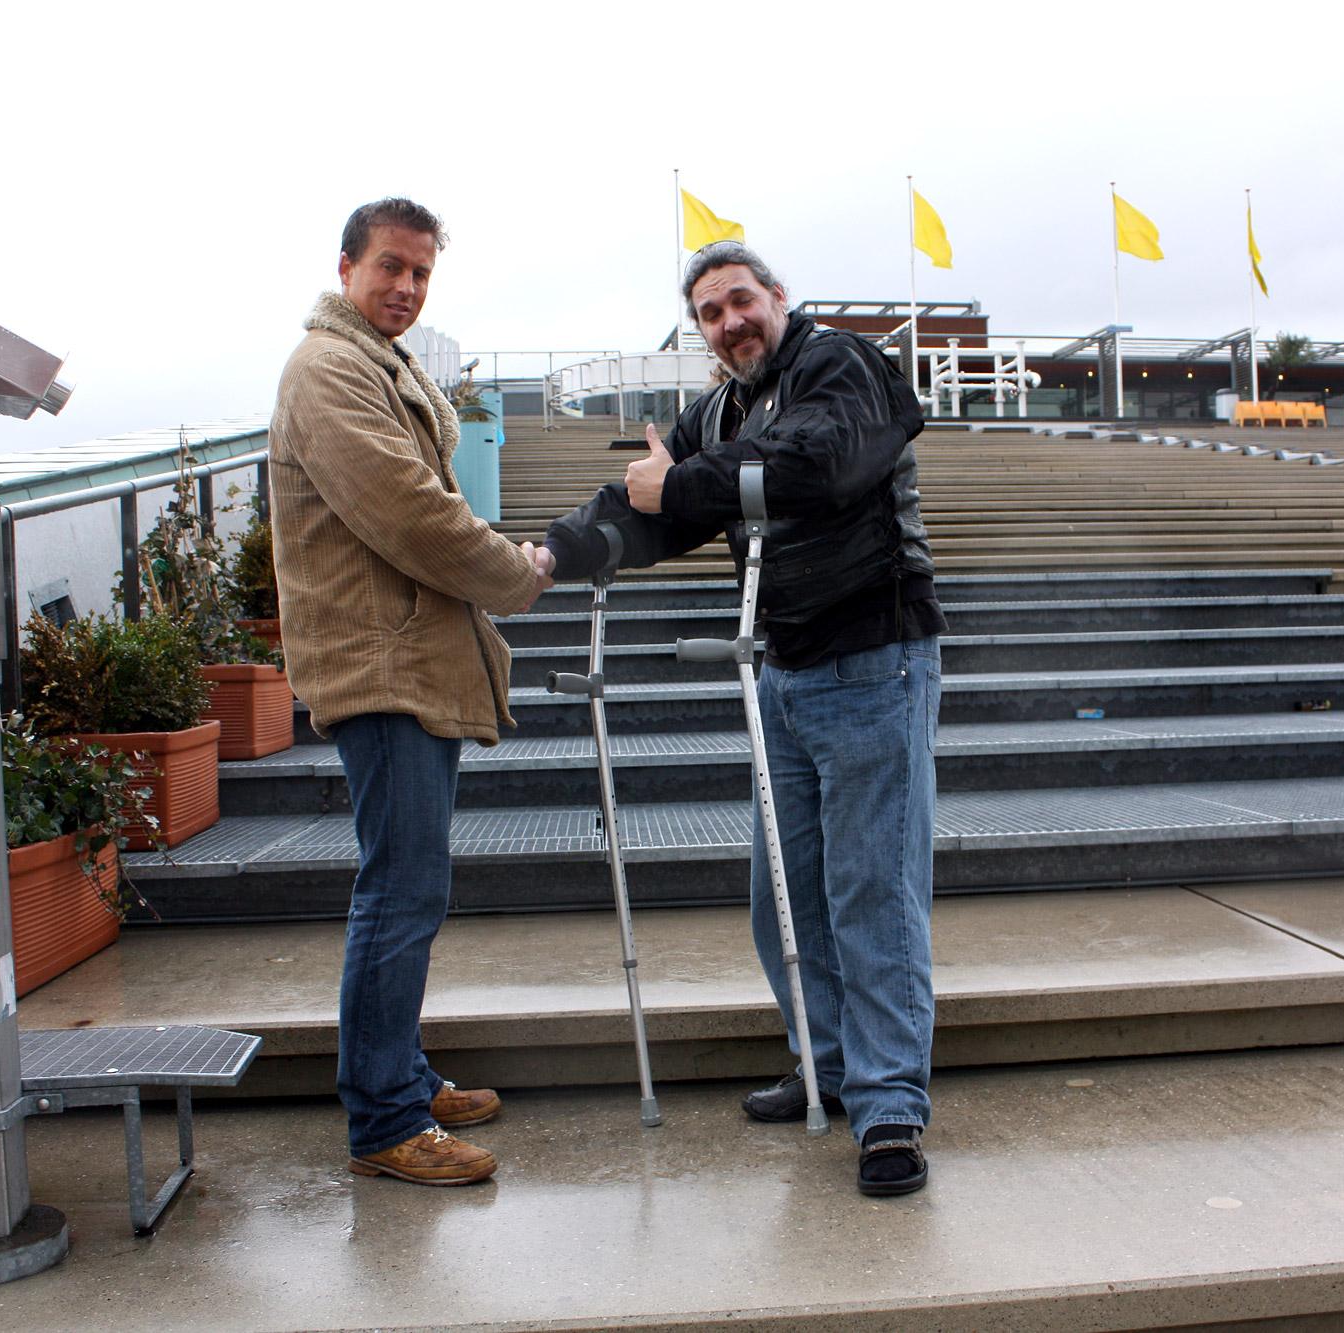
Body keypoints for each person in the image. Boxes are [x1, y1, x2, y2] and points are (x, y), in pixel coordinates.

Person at [542, 241, 943, 1195]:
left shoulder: (840, 363)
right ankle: (828, 1063)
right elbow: (651, 501)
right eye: (710, 314)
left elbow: (820, 462)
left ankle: (888, 1107)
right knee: (784, 897)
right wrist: (553, 554)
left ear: (778, 297)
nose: (730, 323)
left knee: (872, 891)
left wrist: (680, 483)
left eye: (740, 301)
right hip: (783, 670)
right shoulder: (722, 410)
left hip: (873, 655)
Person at [269, 197, 554, 1187]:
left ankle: (400, 1073)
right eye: (389, 265)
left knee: (408, 884)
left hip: (405, 661)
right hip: (381, 665)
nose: (405, 286)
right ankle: (385, 1117)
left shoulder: (373, 361)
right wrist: (513, 572)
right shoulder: (328, 368)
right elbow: (408, 509)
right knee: (400, 889)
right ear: (346, 266)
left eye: (421, 272)